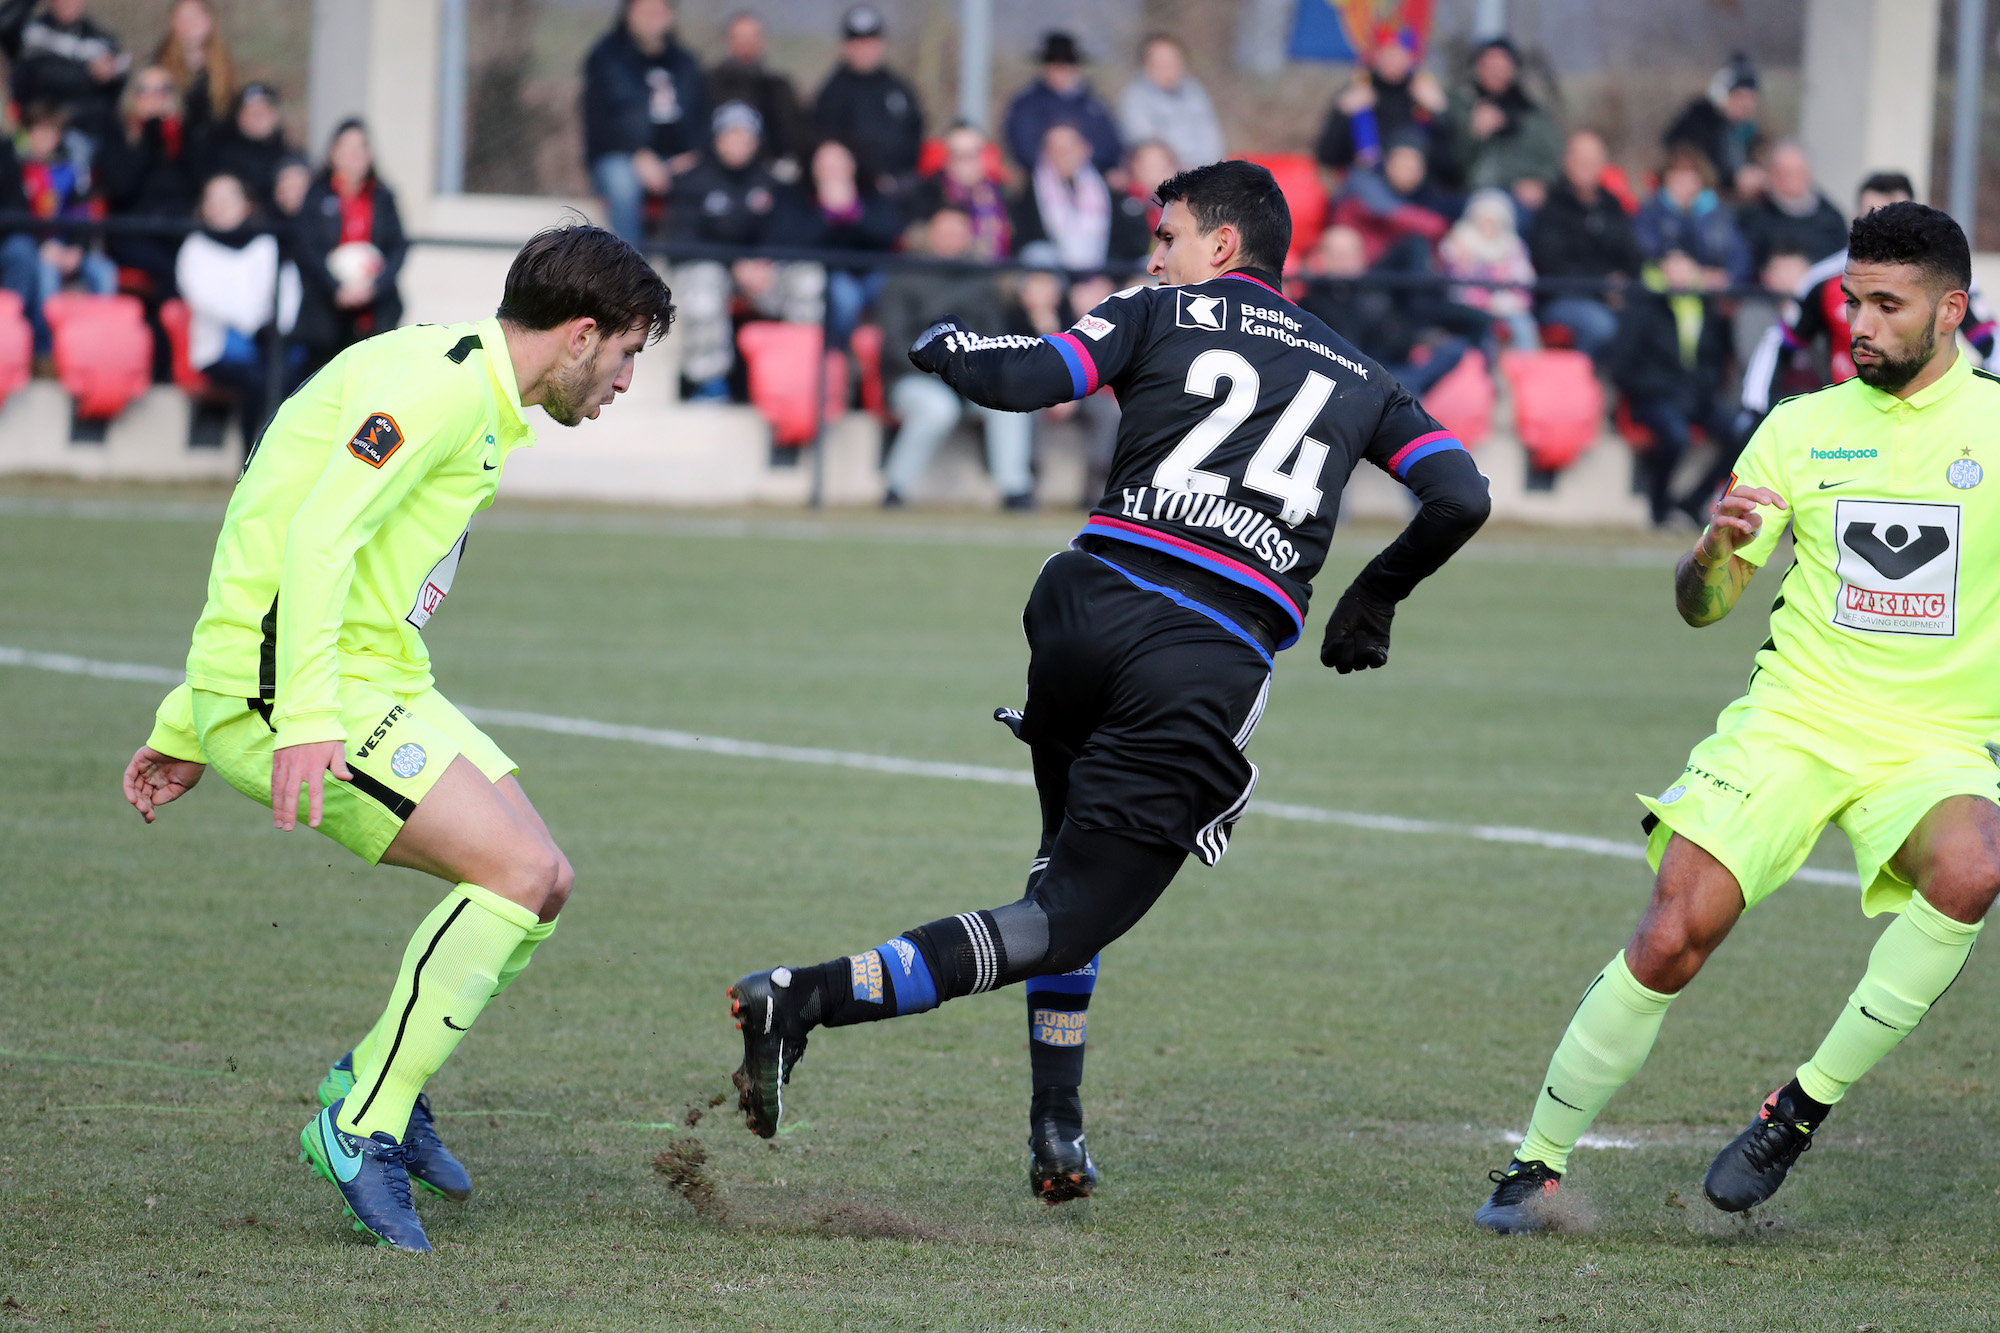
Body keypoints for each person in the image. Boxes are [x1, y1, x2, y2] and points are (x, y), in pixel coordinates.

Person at [726, 161, 1491, 1207]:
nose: (1154, 253)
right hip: (1200, 651)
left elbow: (1028, 376)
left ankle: (1056, 1126)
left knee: (1058, 871)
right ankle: (805, 995)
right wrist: (1373, 596)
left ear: (1222, 248)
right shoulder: (1361, 375)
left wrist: (952, 346)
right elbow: (1458, 492)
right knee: (1070, 913)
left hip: (1079, 607)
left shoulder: (1157, 309)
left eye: (1167, 234)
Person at [122, 224, 671, 1253]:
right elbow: (311, 531)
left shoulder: (476, 387)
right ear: (580, 333)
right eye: (629, 353)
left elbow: (274, 492)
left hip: (369, 676)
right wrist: (273, 714)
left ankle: (377, 1074)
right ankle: (361, 1119)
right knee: (511, 871)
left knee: (545, 879)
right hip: (298, 695)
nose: (627, 380)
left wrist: (178, 719)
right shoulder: (441, 385)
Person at [1477, 202, 2000, 1232]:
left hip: (1931, 744)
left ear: (1951, 312)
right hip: (1792, 720)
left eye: (1885, 305)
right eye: (1851, 301)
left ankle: (1796, 1109)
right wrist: (1710, 552)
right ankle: (1532, 1163)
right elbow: (1701, 607)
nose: (1857, 322)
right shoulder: (1799, 427)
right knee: (1676, 931)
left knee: (1974, 863)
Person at [1738, 172, 2000, 427]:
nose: (1860, 327)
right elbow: (1778, 344)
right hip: (1849, 422)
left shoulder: (1945, 280)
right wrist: (1754, 407)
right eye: (1852, 302)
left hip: (1930, 418)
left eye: (1889, 306)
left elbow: (1991, 343)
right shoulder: (1822, 279)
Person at [876, 206, 1034, 509]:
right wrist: (942, 370)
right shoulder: (905, 274)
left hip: (969, 376)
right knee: (938, 407)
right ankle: (895, 489)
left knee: (1010, 399)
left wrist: (972, 373)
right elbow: (895, 342)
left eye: (957, 233)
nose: (951, 239)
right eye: (944, 232)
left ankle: (1015, 490)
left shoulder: (981, 277)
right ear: (929, 234)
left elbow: (995, 338)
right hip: (913, 377)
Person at [666, 101, 818, 401]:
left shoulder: (773, 182)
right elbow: (680, 241)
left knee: (808, 278)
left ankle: (800, 380)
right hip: (711, 271)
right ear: (717, 137)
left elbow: (790, 232)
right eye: (731, 135)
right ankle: (707, 385)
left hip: (762, 275)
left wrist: (763, 263)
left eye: (746, 136)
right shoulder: (691, 180)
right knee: (703, 283)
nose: (738, 143)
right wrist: (735, 263)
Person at [1604, 249, 1734, 527]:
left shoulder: (1705, 306)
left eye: (1686, 263)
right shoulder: (1643, 304)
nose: (1680, 271)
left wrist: (1702, 388)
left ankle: (1693, 502)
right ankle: (1659, 508)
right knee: (1674, 435)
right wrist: (1663, 388)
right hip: (1654, 398)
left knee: (1740, 432)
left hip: (1696, 399)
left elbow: (1714, 360)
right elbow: (1623, 364)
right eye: (1673, 263)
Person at [174, 172, 297, 445]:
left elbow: (287, 290)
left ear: (247, 204)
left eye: (230, 197)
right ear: (203, 207)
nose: (221, 205)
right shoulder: (194, 248)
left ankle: (285, 453)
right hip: (218, 347)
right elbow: (203, 299)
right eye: (213, 199)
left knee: (292, 373)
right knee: (257, 379)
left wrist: (276, 326)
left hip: (267, 341)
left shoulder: (266, 243)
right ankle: (250, 456)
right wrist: (253, 324)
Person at [581, 0, 708, 248]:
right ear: (628, 14)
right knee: (623, 185)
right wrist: (638, 153)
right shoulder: (606, 57)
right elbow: (601, 120)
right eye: (645, 11)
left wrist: (695, 153)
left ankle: (691, 264)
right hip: (621, 155)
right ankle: (630, 269)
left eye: (660, 11)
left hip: (678, 155)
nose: (653, 18)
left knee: (709, 182)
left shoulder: (685, 62)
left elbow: (702, 114)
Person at [292, 119, 406, 379]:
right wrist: (336, 288)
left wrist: (374, 287)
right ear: (333, 153)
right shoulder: (316, 195)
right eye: (347, 147)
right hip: (324, 315)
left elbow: (397, 248)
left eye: (361, 148)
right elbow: (307, 248)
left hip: (374, 314)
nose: (354, 156)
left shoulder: (384, 197)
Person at [1300, 223, 1468, 397]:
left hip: (1398, 368)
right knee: (1402, 389)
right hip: (1359, 376)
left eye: (1351, 254)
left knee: (1454, 348)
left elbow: (1406, 327)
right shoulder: (1313, 302)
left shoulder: (1379, 288)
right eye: (1338, 255)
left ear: (1362, 256)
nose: (1345, 261)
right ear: (1323, 257)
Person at [8, 101, 117, 353]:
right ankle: (45, 352)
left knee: (105, 272)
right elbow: (17, 217)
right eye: (40, 131)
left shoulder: (73, 171)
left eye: (52, 132)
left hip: (71, 247)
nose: (46, 138)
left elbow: (83, 214)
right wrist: (44, 246)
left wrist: (77, 249)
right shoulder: (17, 170)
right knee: (46, 275)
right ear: (28, 133)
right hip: (40, 248)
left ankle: (102, 348)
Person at [770, 137, 901, 347]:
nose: (833, 171)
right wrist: (826, 214)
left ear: (853, 165)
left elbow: (889, 233)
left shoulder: (873, 194)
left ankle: (892, 361)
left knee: (896, 289)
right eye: (826, 166)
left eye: (839, 164)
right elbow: (789, 243)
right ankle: (840, 359)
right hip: (828, 276)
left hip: (872, 273)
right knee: (844, 298)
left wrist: (854, 212)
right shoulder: (797, 198)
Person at [1529, 129, 1641, 360]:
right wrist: (1602, 285)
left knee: (1648, 320)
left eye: (1593, 161)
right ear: (1566, 162)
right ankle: (1589, 385)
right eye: (1581, 161)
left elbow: (1632, 254)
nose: (1587, 167)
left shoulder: (1612, 206)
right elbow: (1550, 263)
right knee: (1601, 325)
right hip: (1562, 298)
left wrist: (1621, 283)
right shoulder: (1552, 205)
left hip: (1614, 297)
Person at [98, 65, 200, 309]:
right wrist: (147, 137)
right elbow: (119, 187)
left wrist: (175, 137)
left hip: (177, 232)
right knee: (173, 270)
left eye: (163, 90)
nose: (155, 98)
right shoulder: (117, 136)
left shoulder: (186, 137)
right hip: (131, 234)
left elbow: (198, 183)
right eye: (145, 90)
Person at [1011, 122, 1152, 276]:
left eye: (1069, 147)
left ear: (1086, 149)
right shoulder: (1027, 192)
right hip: (1056, 279)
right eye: (1054, 148)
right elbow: (1025, 243)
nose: (1063, 154)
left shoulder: (1109, 188)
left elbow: (1127, 243)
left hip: (1104, 277)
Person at [811, 6, 924, 193]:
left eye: (870, 41)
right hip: (850, 192)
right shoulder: (831, 94)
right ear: (846, 46)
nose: (864, 49)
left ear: (881, 43)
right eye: (857, 42)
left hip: (899, 187)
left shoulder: (899, 89)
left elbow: (915, 137)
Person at [1437, 36, 1559, 205]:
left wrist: (1541, 184)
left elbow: (1553, 161)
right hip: (1469, 197)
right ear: (1478, 68)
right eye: (1489, 66)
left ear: (1513, 69)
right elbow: (1445, 166)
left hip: (1521, 200)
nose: (1495, 72)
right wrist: (1472, 134)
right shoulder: (1456, 107)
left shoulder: (1534, 115)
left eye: (1501, 66)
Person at [1315, 30, 1446, 177]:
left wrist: (1441, 113)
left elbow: (1449, 165)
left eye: (1399, 53)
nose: (1392, 60)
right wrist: (1341, 113)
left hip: (1416, 185)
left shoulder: (1425, 96)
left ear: (1412, 58)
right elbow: (1326, 156)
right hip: (1365, 179)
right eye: (1386, 52)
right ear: (1376, 55)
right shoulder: (1356, 91)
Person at [0, 0, 126, 149]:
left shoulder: (101, 41)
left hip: (81, 132)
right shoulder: (29, 31)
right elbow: (4, 24)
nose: (67, 3)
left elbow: (113, 98)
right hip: (31, 126)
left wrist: (110, 78)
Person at [1003, 31, 1122, 177]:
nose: (1060, 69)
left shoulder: (1094, 105)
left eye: (1066, 63)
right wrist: (1059, 160)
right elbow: (1024, 149)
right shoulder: (1026, 105)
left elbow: (1112, 147)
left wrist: (1083, 158)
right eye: (1054, 63)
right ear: (1044, 66)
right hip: (1041, 182)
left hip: (1093, 181)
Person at [1327, 133, 1454, 267]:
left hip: (1390, 270)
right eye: (1402, 162)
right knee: (1416, 245)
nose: (1408, 170)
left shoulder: (1424, 196)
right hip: (1361, 269)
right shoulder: (1365, 185)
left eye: (1413, 165)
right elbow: (1394, 215)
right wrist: (1444, 229)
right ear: (1388, 162)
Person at [706, 11, 805, 180]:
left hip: (768, 174)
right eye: (740, 37)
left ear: (763, 41)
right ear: (728, 42)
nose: (747, 44)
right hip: (716, 173)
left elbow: (793, 137)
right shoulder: (708, 84)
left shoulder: (779, 87)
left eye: (752, 37)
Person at [1634, 145, 1750, 288]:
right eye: (1676, 173)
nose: (1683, 181)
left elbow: (1739, 254)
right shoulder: (1651, 210)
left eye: (1689, 174)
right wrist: (1670, 261)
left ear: (1701, 179)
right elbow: (1643, 246)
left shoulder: (1718, 213)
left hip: (1714, 290)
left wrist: (1727, 277)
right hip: (1666, 287)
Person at [1439, 186, 1539, 351]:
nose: (1489, 227)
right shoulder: (1461, 242)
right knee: (1482, 327)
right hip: (1470, 303)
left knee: (1524, 325)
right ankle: (1485, 364)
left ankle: (1526, 363)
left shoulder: (1512, 246)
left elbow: (1524, 277)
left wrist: (1507, 299)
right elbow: (1456, 277)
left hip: (1506, 302)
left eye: (1494, 222)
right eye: (1484, 220)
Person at [1736, 139, 1847, 273]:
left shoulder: (1830, 218)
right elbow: (1743, 262)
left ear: (1809, 173)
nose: (1790, 179)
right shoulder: (1755, 214)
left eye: (1797, 171)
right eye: (1783, 171)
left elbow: (1840, 262)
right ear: (1772, 174)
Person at [1116, 34, 1223, 172]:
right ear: (1146, 64)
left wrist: (1209, 167)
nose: (1168, 68)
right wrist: (1180, 169)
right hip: (1164, 172)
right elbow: (1145, 143)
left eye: (1173, 61)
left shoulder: (1195, 92)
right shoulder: (1134, 97)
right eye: (1161, 62)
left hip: (1201, 169)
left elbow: (1212, 138)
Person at [906, 121, 1012, 260]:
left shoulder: (1001, 195)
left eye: (971, 154)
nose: (965, 163)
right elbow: (911, 241)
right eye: (957, 154)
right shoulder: (927, 192)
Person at [1663, 54, 1762, 200]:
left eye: (1751, 98)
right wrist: (1735, 179)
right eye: (1739, 96)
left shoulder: (1749, 132)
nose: (1746, 104)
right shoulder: (1695, 127)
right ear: (1721, 96)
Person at [204, 82, 289, 216]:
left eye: (263, 111)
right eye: (250, 111)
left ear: (275, 116)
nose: (257, 117)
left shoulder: (288, 157)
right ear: (239, 116)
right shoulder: (218, 154)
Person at [151, 0, 233, 132]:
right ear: (173, 23)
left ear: (209, 20)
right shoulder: (157, 65)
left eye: (195, 15)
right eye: (182, 17)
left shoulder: (226, 65)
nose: (189, 23)